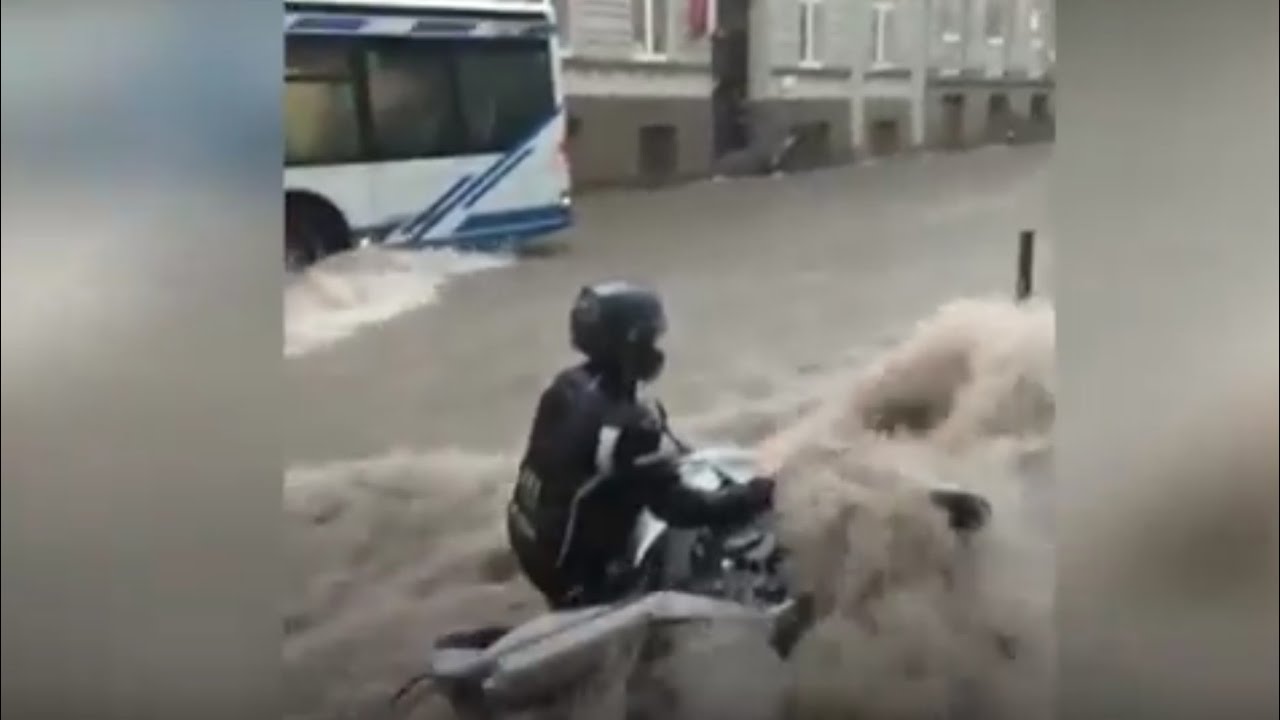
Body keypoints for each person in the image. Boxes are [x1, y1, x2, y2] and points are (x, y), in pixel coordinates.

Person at [507, 281, 776, 610]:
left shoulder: (568, 385)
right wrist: (752, 496)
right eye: (651, 339)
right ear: (629, 342)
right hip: (572, 574)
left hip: (529, 540)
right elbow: (681, 509)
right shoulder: (628, 424)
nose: (657, 350)